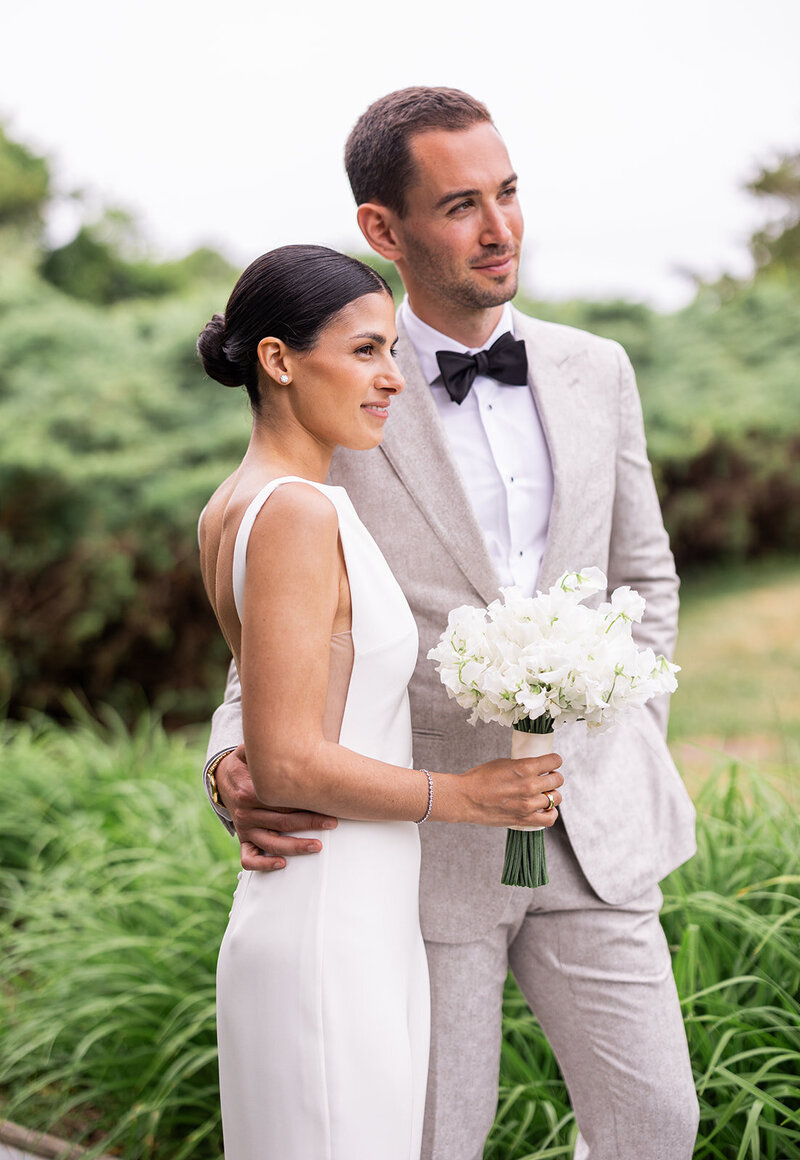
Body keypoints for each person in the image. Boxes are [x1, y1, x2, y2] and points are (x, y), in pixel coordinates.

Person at [204, 90, 699, 1160]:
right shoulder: (347, 388)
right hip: (420, 851)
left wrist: (625, 720)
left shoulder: (594, 369)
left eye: (509, 193)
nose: (499, 228)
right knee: (433, 1138)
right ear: (382, 229)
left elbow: (642, 574)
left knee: (655, 1122)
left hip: (598, 828)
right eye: (460, 204)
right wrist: (231, 753)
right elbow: (281, 602)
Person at [196, 243, 565, 1160]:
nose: (395, 378)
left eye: (393, 350)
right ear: (279, 361)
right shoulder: (297, 513)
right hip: (329, 914)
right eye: (365, 351)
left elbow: (274, 716)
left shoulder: (237, 505)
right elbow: (285, 760)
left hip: (347, 902)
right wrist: (466, 797)